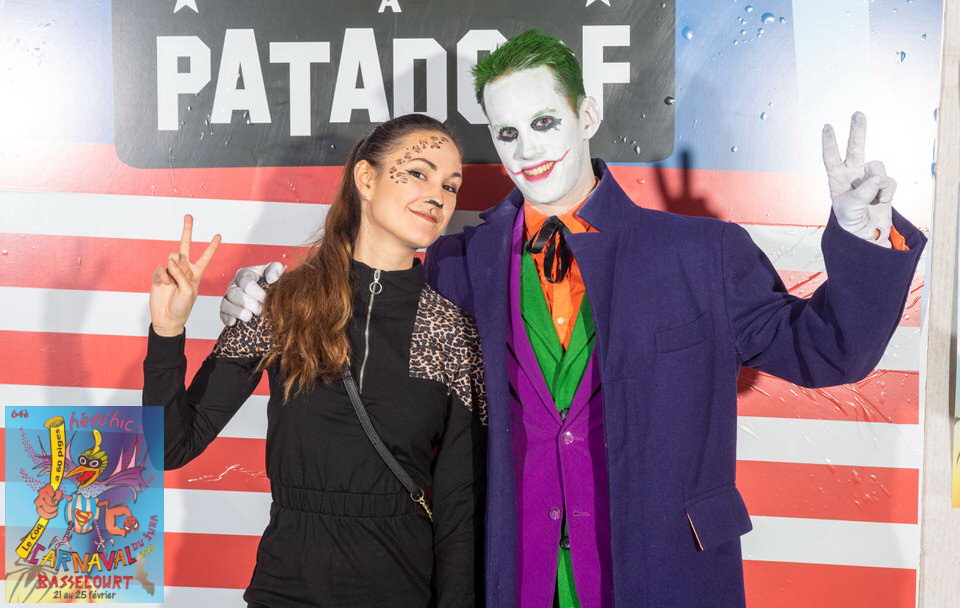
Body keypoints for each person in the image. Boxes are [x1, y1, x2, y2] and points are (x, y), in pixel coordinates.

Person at [221, 31, 925, 607]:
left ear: (586, 116)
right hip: (511, 574)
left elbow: (830, 352)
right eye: (507, 133)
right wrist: (262, 302)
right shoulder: (457, 265)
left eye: (543, 122)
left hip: (663, 572)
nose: (528, 149)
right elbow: (363, 337)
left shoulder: (700, 253)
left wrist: (862, 237)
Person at [143, 113, 487, 608]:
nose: (438, 196)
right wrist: (168, 330)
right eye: (418, 173)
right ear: (365, 178)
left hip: (402, 590)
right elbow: (169, 447)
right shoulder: (281, 304)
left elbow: (459, 512)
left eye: (450, 186)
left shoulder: (453, 333)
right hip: (284, 590)